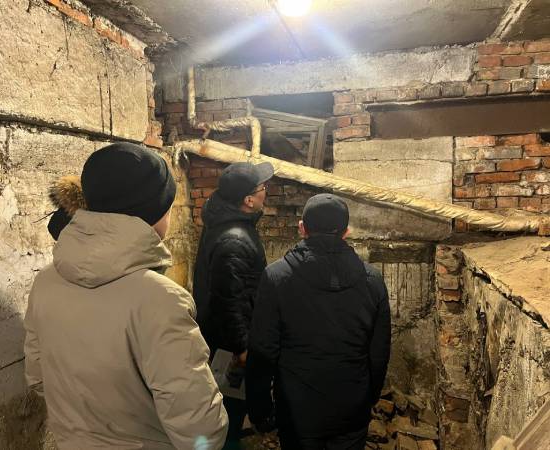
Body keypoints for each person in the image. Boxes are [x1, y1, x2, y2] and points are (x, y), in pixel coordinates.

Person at [24, 143, 228, 450]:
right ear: (156, 212)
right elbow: (199, 428)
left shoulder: (46, 282)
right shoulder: (161, 299)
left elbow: (39, 378)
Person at [246, 193, 391, 450]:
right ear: (346, 232)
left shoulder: (276, 278)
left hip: (297, 410)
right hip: (351, 407)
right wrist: (369, 396)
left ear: (302, 228)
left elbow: (263, 350)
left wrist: (260, 409)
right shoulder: (373, 280)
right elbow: (379, 352)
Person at [193, 161, 274, 448]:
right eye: (262, 187)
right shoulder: (234, 240)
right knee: (230, 409)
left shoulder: (227, 220)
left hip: (224, 338)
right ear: (249, 200)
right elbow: (230, 300)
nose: (266, 191)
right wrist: (242, 349)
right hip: (230, 345)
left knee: (228, 405)